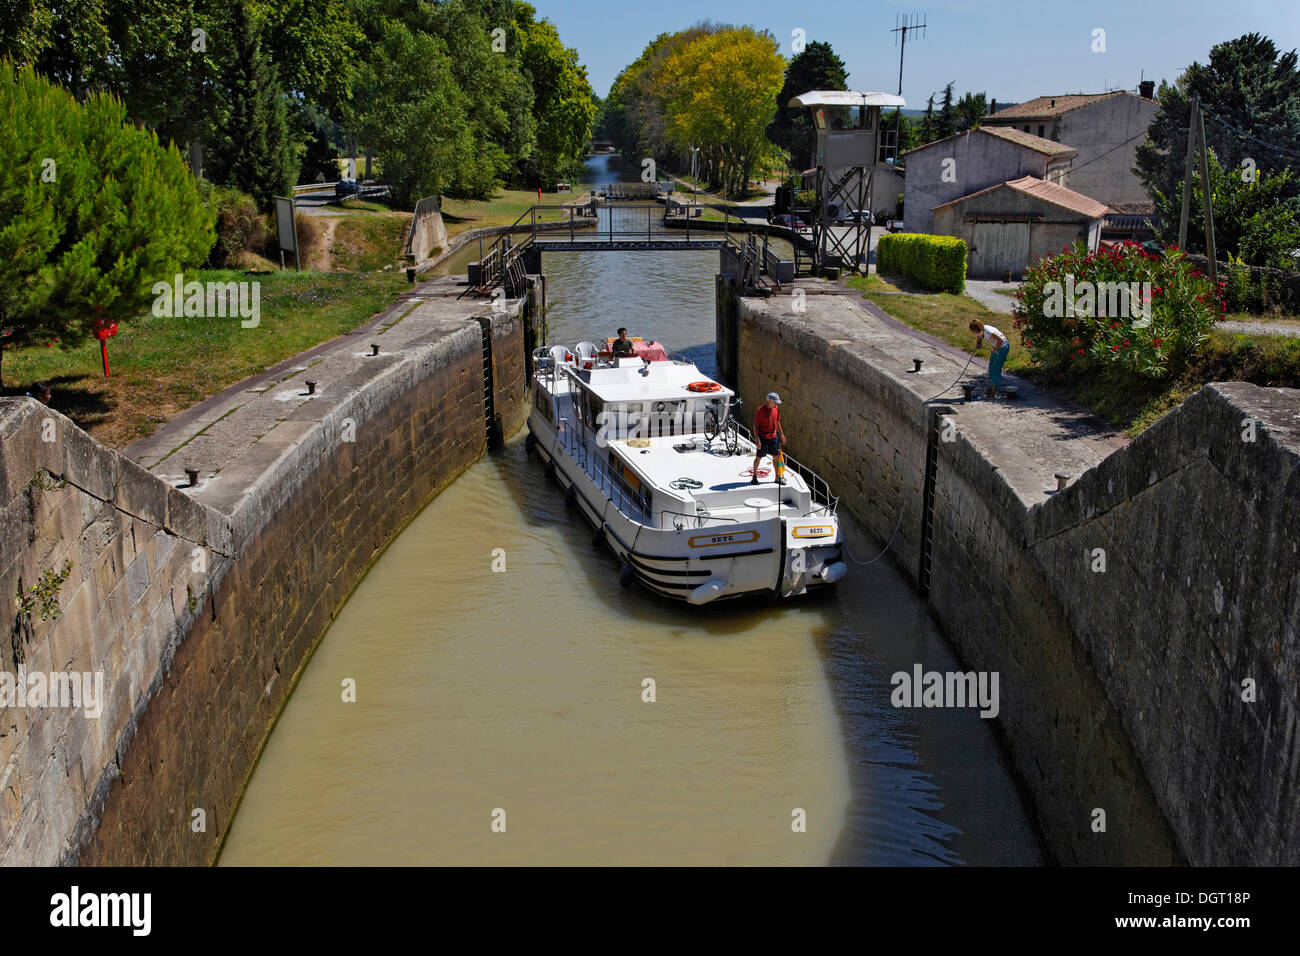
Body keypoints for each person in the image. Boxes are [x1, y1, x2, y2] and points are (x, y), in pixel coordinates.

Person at [750, 392, 786, 485]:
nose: (776, 404)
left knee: (775, 457)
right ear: (769, 400)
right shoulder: (760, 410)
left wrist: (781, 434)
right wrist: (757, 439)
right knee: (759, 457)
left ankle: (777, 478)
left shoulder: (776, 408)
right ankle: (754, 477)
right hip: (763, 437)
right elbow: (755, 425)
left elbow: (777, 421)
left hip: (773, 436)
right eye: (775, 402)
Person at [971, 320, 1010, 398]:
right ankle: (992, 388)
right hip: (997, 347)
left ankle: (992, 393)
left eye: (974, 331)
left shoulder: (988, 331)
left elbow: (1000, 340)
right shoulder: (981, 330)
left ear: (978, 328)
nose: (975, 333)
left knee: (995, 370)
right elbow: (979, 336)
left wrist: (995, 350)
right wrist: (979, 344)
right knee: (991, 368)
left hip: (1002, 348)